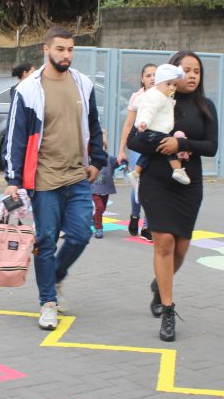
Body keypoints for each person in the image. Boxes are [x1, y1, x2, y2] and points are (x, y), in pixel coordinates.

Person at [3, 26, 107, 330]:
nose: (66, 55)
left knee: (81, 234)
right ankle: (48, 302)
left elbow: (93, 124)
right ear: (45, 49)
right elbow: (16, 136)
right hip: (44, 179)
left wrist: (97, 160)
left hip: (77, 175)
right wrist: (13, 179)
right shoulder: (28, 89)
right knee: (46, 241)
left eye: (70, 49)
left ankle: (56, 275)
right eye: (60, 49)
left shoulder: (83, 83)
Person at [127, 50, 217, 341]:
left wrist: (181, 143)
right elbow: (134, 140)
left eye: (197, 71)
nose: (192, 76)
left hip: (189, 183)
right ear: (173, 72)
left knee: (181, 249)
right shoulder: (156, 98)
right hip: (156, 180)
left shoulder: (205, 106)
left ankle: (159, 284)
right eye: (186, 70)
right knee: (164, 242)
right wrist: (160, 144)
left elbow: (211, 146)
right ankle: (168, 309)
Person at [125, 63, 192, 188]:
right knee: (169, 144)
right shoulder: (157, 97)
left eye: (175, 85)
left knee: (148, 153)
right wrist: (144, 121)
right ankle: (177, 170)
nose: (172, 87)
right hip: (152, 131)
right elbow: (149, 109)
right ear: (158, 83)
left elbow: (139, 103)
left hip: (149, 132)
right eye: (168, 84)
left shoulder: (156, 94)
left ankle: (135, 172)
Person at [117, 63, 156, 240]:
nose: (152, 78)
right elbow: (128, 125)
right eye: (148, 75)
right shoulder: (137, 97)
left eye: (155, 75)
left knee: (153, 185)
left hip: (156, 146)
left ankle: (147, 226)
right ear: (142, 79)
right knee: (138, 184)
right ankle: (135, 215)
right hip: (139, 147)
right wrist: (121, 150)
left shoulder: (165, 95)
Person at [91, 131, 122, 239]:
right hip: (94, 189)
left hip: (105, 189)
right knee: (99, 207)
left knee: (102, 208)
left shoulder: (110, 159)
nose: (101, 149)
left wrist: (123, 163)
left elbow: (119, 161)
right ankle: (98, 228)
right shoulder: (91, 159)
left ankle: (94, 219)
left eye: (103, 147)